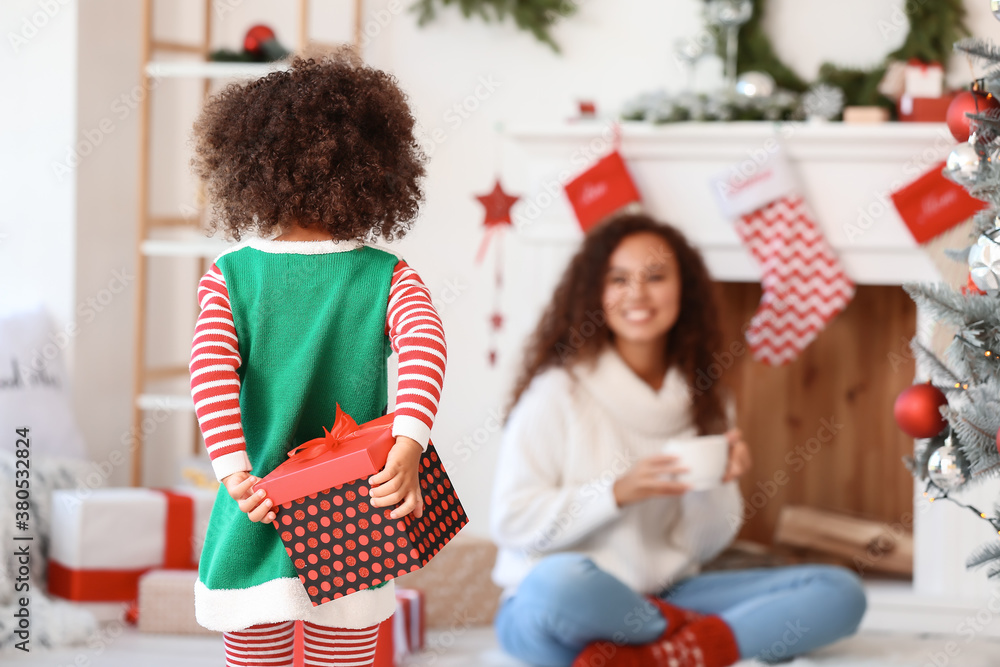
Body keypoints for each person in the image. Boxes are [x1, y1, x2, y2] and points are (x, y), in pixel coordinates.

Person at [490, 213, 867, 667]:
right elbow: (511, 522)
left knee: (839, 592)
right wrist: (615, 493)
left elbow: (702, 547)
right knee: (556, 585)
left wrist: (717, 482)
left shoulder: (708, 398)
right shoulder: (558, 392)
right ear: (595, 292)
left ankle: (649, 655)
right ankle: (687, 644)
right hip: (571, 606)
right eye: (619, 279)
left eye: (656, 277)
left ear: (682, 289)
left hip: (670, 593)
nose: (638, 294)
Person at [187, 52, 446, 667]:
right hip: (351, 506)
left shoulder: (229, 276)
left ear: (248, 169)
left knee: (253, 645)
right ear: (377, 171)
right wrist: (408, 443)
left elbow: (209, 376)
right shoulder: (389, 276)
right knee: (345, 644)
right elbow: (425, 350)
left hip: (258, 496)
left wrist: (232, 470)